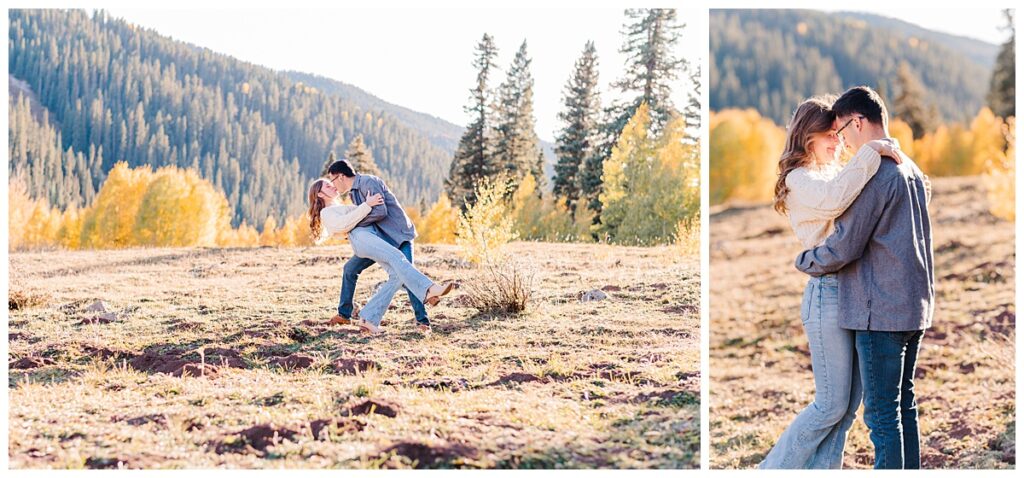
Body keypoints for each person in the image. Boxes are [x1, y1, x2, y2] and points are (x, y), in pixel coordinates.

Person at [796, 86, 934, 469]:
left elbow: (845, 246)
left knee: (882, 418)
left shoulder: (877, 174)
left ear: (856, 122)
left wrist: (807, 260)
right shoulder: (911, 168)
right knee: (905, 405)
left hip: (881, 312)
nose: (841, 142)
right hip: (915, 308)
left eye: (840, 132)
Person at [760, 94, 901, 469]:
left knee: (848, 406)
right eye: (831, 134)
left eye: (840, 134)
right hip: (826, 294)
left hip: (851, 291)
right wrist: (872, 151)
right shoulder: (799, 179)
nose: (839, 142)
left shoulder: (825, 173)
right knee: (830, 404)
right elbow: (835, 200)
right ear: (809, 135)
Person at [307, 176, 455, 335]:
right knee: (397, 258)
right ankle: (428, 290)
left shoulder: (338, 207)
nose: (333, 187)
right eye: (328, 187)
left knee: (396, 276)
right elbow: (344, 224)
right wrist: (367, 205)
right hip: (364, 238)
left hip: (371, 237)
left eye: (331, 184)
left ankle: (368, 319)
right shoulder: (326, 212)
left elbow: (352, 220)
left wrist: (365, 207)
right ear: (320, 195)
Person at [324, 159, 434, 334]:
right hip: (379, 241)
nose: (334, 186)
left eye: (333, 180)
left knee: (405, 272)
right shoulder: (353, 194)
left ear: (341, 176)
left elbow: (380, 211)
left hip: (398, 235)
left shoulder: (368, 182)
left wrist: (355, 225)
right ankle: (344, 314)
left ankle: (423, 321)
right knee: (350, 269)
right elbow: (361, 215)